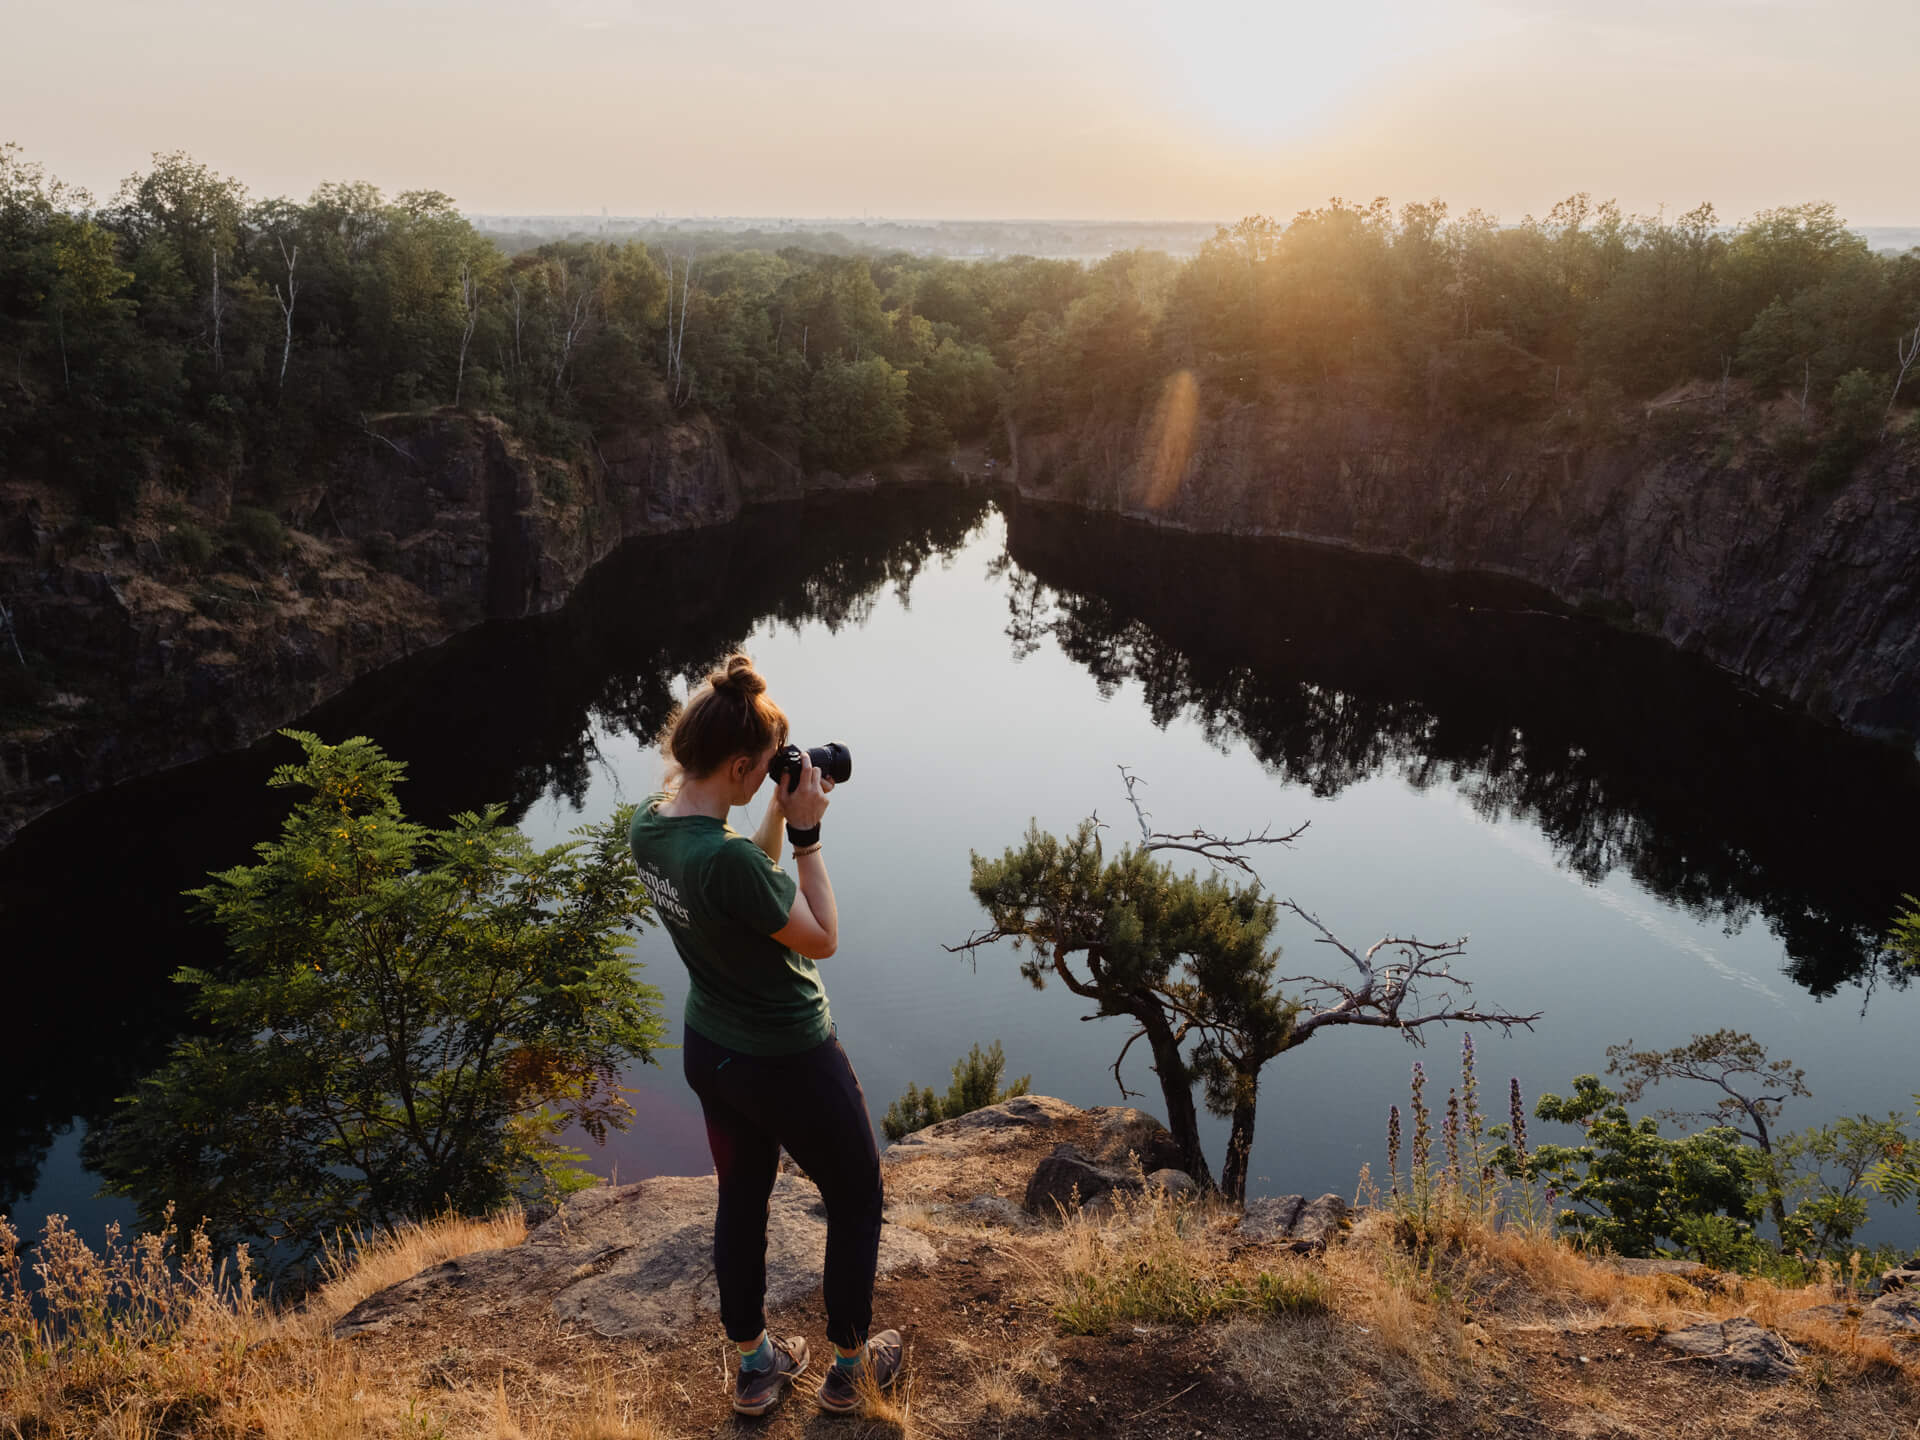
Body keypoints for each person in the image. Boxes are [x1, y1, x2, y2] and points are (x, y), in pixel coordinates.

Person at [627, 653, 901, 1417]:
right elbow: (819, 938)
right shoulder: (727, 860)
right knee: (854, 1197)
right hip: (788, 1058)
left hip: (711, 1055)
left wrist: (777, 811)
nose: (766, 781)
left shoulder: (651, 830)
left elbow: (747, 887)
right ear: (744, 763)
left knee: (742, 1198)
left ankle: (756, 1366)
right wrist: (808, 833)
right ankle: (850, 1372)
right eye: (763, 773)